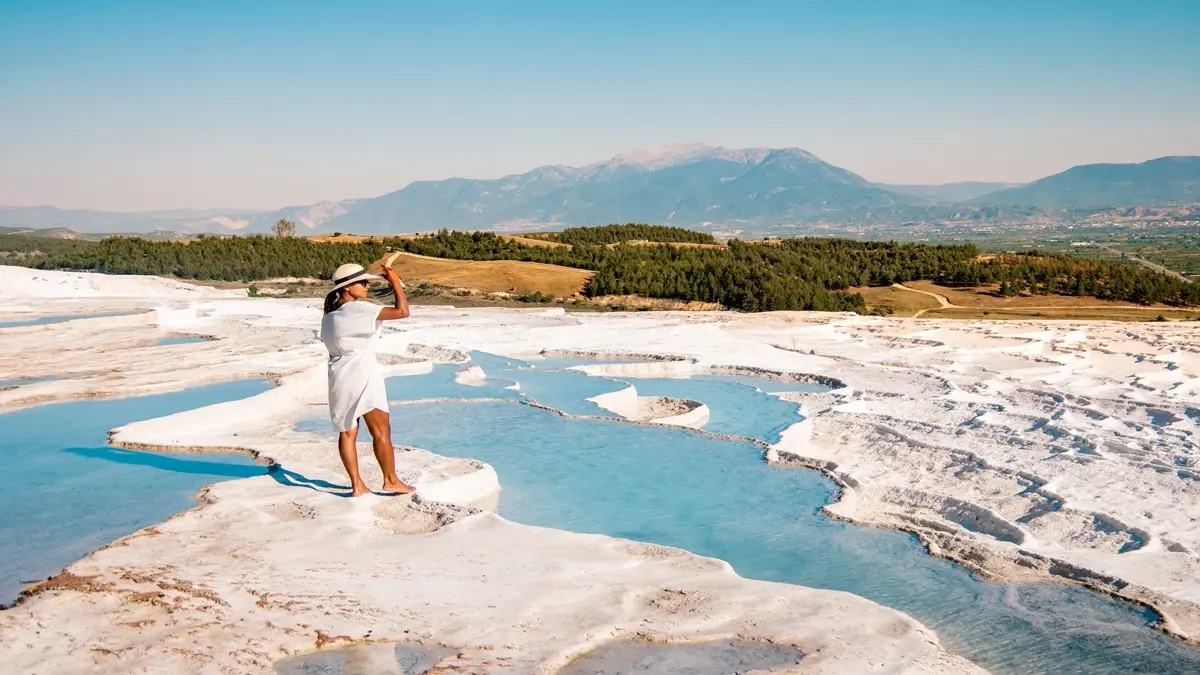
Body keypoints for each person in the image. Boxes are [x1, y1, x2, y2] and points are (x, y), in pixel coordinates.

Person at [320, 261, 415, 497]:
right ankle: (391, 480)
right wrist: (395, 281)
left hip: (339, 375)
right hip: (362, 373)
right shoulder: (358, 309)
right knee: (381, 431)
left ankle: (357, 485)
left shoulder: (329, 316)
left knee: (347, 432)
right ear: (347, 287)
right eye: (363, 283)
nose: (367, 286)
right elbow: (403, 312)